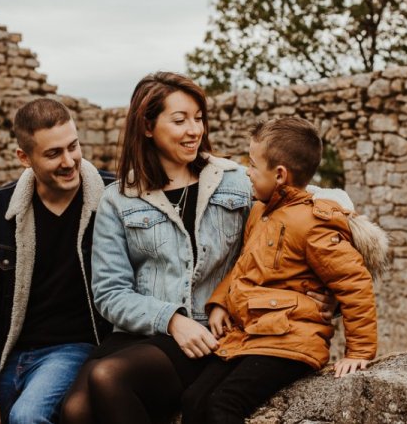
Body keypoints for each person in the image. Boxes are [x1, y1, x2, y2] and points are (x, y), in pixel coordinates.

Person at [60, 72, 337, 424]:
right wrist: (171, 320)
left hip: (215, 335)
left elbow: (314, 215)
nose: (195, 130)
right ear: (147, 127)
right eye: (180, 120)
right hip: (145, 332)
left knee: (108, 377)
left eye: (198, 118)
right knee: (74, 411)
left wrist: (327, 292)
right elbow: (110, 292)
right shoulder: (119, 199)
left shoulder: (236, 181)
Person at [180, 116, 389, 424]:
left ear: (279, 174)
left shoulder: (313, 224)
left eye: (252, 165)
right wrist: (221, 302)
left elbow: (353, 282)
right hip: (251, 335)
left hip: (291, 340)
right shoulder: (260, 212)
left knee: (223, 405)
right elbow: (243, 266)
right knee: (193, 399)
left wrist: (358, 352)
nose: (247, 173)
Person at [0, 98, 111, 424]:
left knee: (27, 417)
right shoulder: (0, 210)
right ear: (24, 158)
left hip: (74, 348)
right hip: (13, 352)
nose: (70, 161)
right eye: (54, 153)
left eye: (73, 146)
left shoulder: (112, 198)